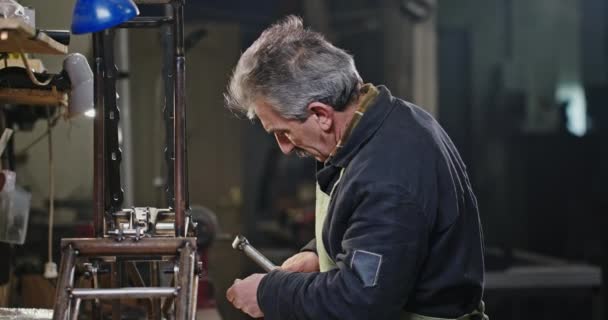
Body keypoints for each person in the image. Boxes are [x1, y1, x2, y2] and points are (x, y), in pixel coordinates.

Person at [224, 15, 486, 320]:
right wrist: (314, 254)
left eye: (284, 132)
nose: (285, 147)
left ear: (321, 114)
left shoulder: (388, 174)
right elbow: (368, 226)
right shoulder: (383, 124)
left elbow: (360, 300)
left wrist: (268, 294)